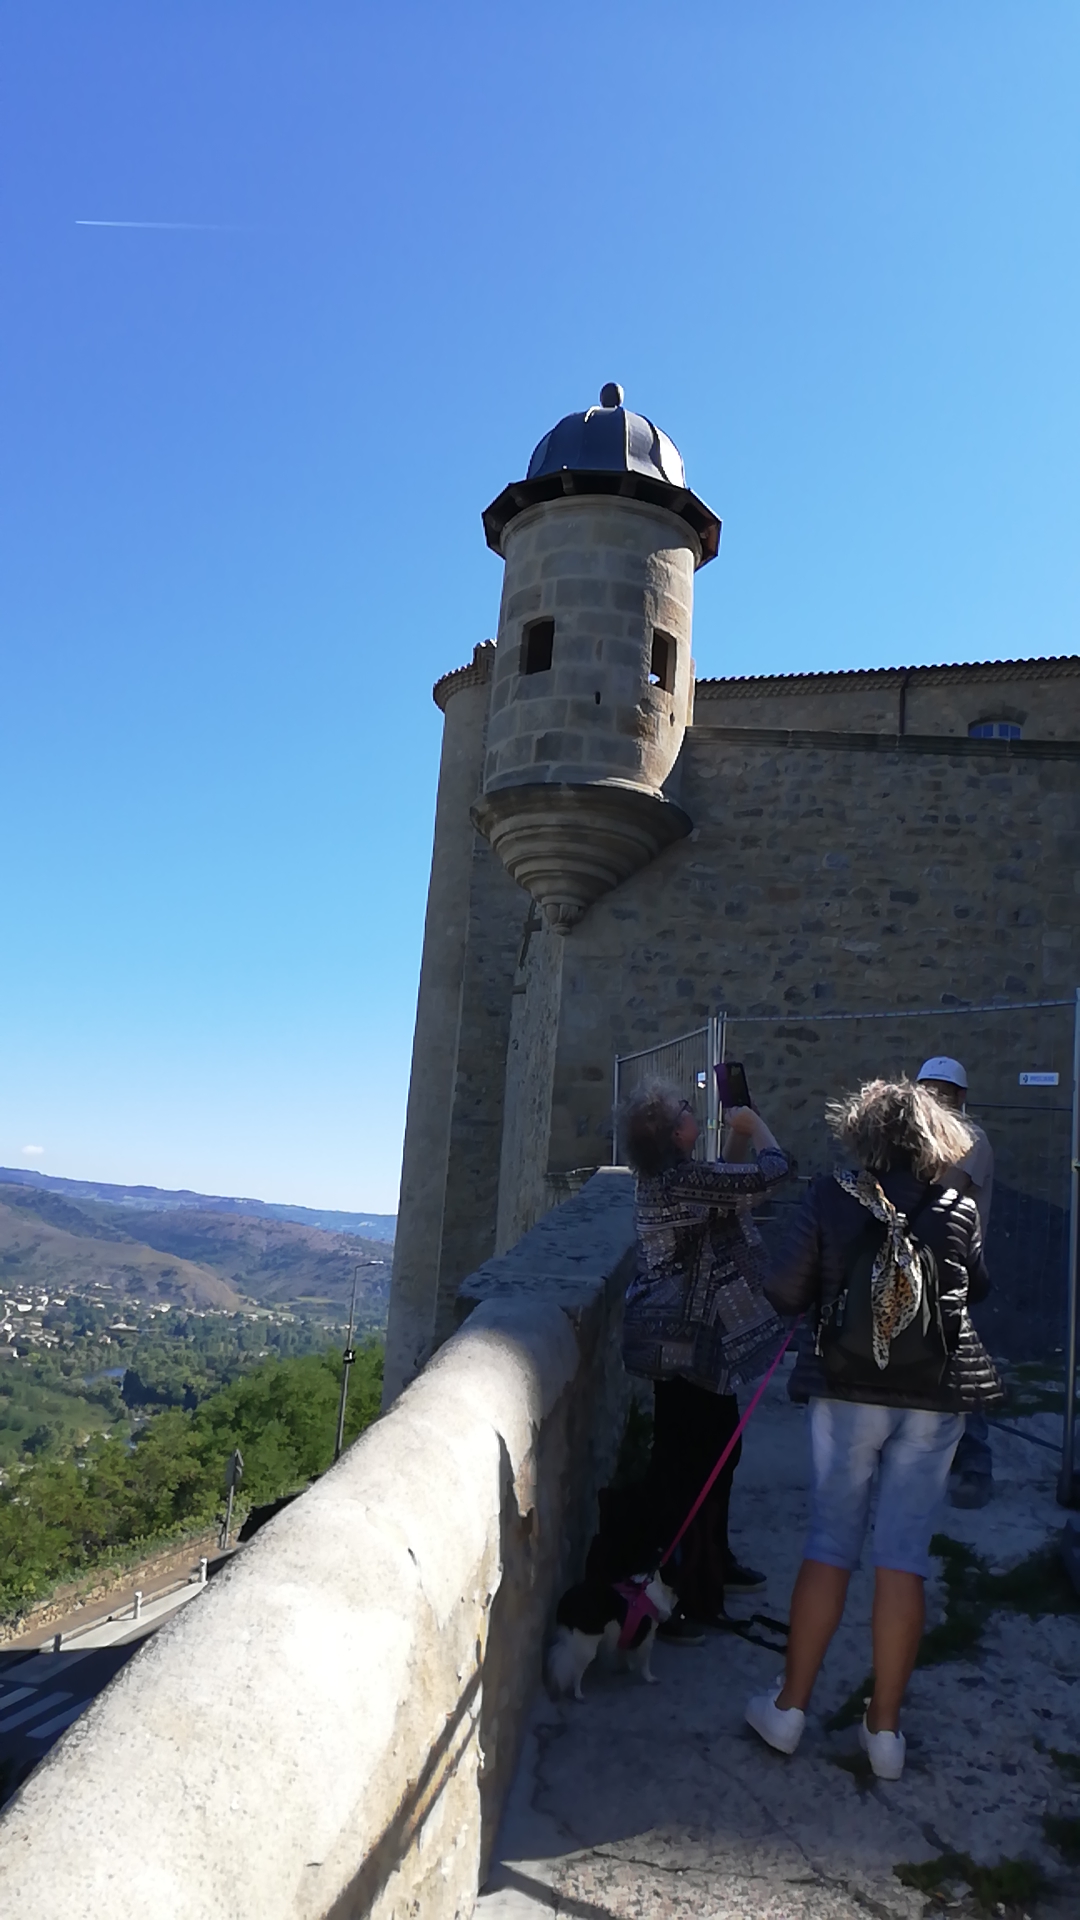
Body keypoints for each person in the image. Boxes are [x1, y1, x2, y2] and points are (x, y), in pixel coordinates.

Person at [745, 1077, 1002, 1779]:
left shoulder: (831, 1197)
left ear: (863, 1134)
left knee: (831, 1541)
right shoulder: (958, 1206)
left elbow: (784, 1289)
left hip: (846, 1387)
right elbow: (976, 1287)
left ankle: (789, 1709)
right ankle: (885, 1732)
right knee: (903, 1554)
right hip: (933, 1394)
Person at [619, 1079, 792, 1637]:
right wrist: (756, 1126)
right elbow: (773, 1173)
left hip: (685, 1342)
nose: (695, 1112)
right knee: (694, 1463)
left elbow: (726, 1184)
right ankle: (680, 1589)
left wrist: (735, 1134)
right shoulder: (682, 1182)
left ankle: (709, 1563)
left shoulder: (677, 1178)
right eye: (686, 1109)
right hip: (685, 1345)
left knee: (708, 1453)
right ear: (675, 1134)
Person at [916, 1056, 995, 1509]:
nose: (934, 1097)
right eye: (927, 1089)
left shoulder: (971, 1139)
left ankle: (975, 1466)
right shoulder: (919, 1138)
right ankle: (934, 1457)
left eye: (942, 1091)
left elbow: (941, 1192)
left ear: (960, 1096)